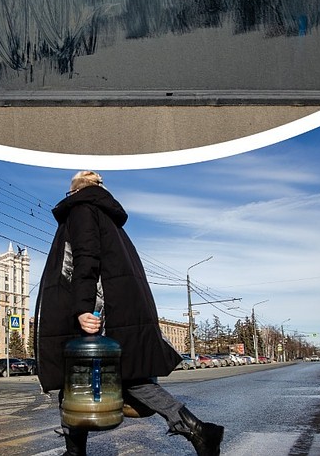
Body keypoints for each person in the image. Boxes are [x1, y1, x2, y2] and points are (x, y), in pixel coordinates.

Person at [36, 171, 223, 456]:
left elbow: (84, 261)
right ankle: (199, 431)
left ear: (74, 192)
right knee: (117, 376)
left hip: (98, 312)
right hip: (116, 309)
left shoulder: (83, 209)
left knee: (81, 375)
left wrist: (82, 309)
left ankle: (199, 431)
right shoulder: (108, 217)